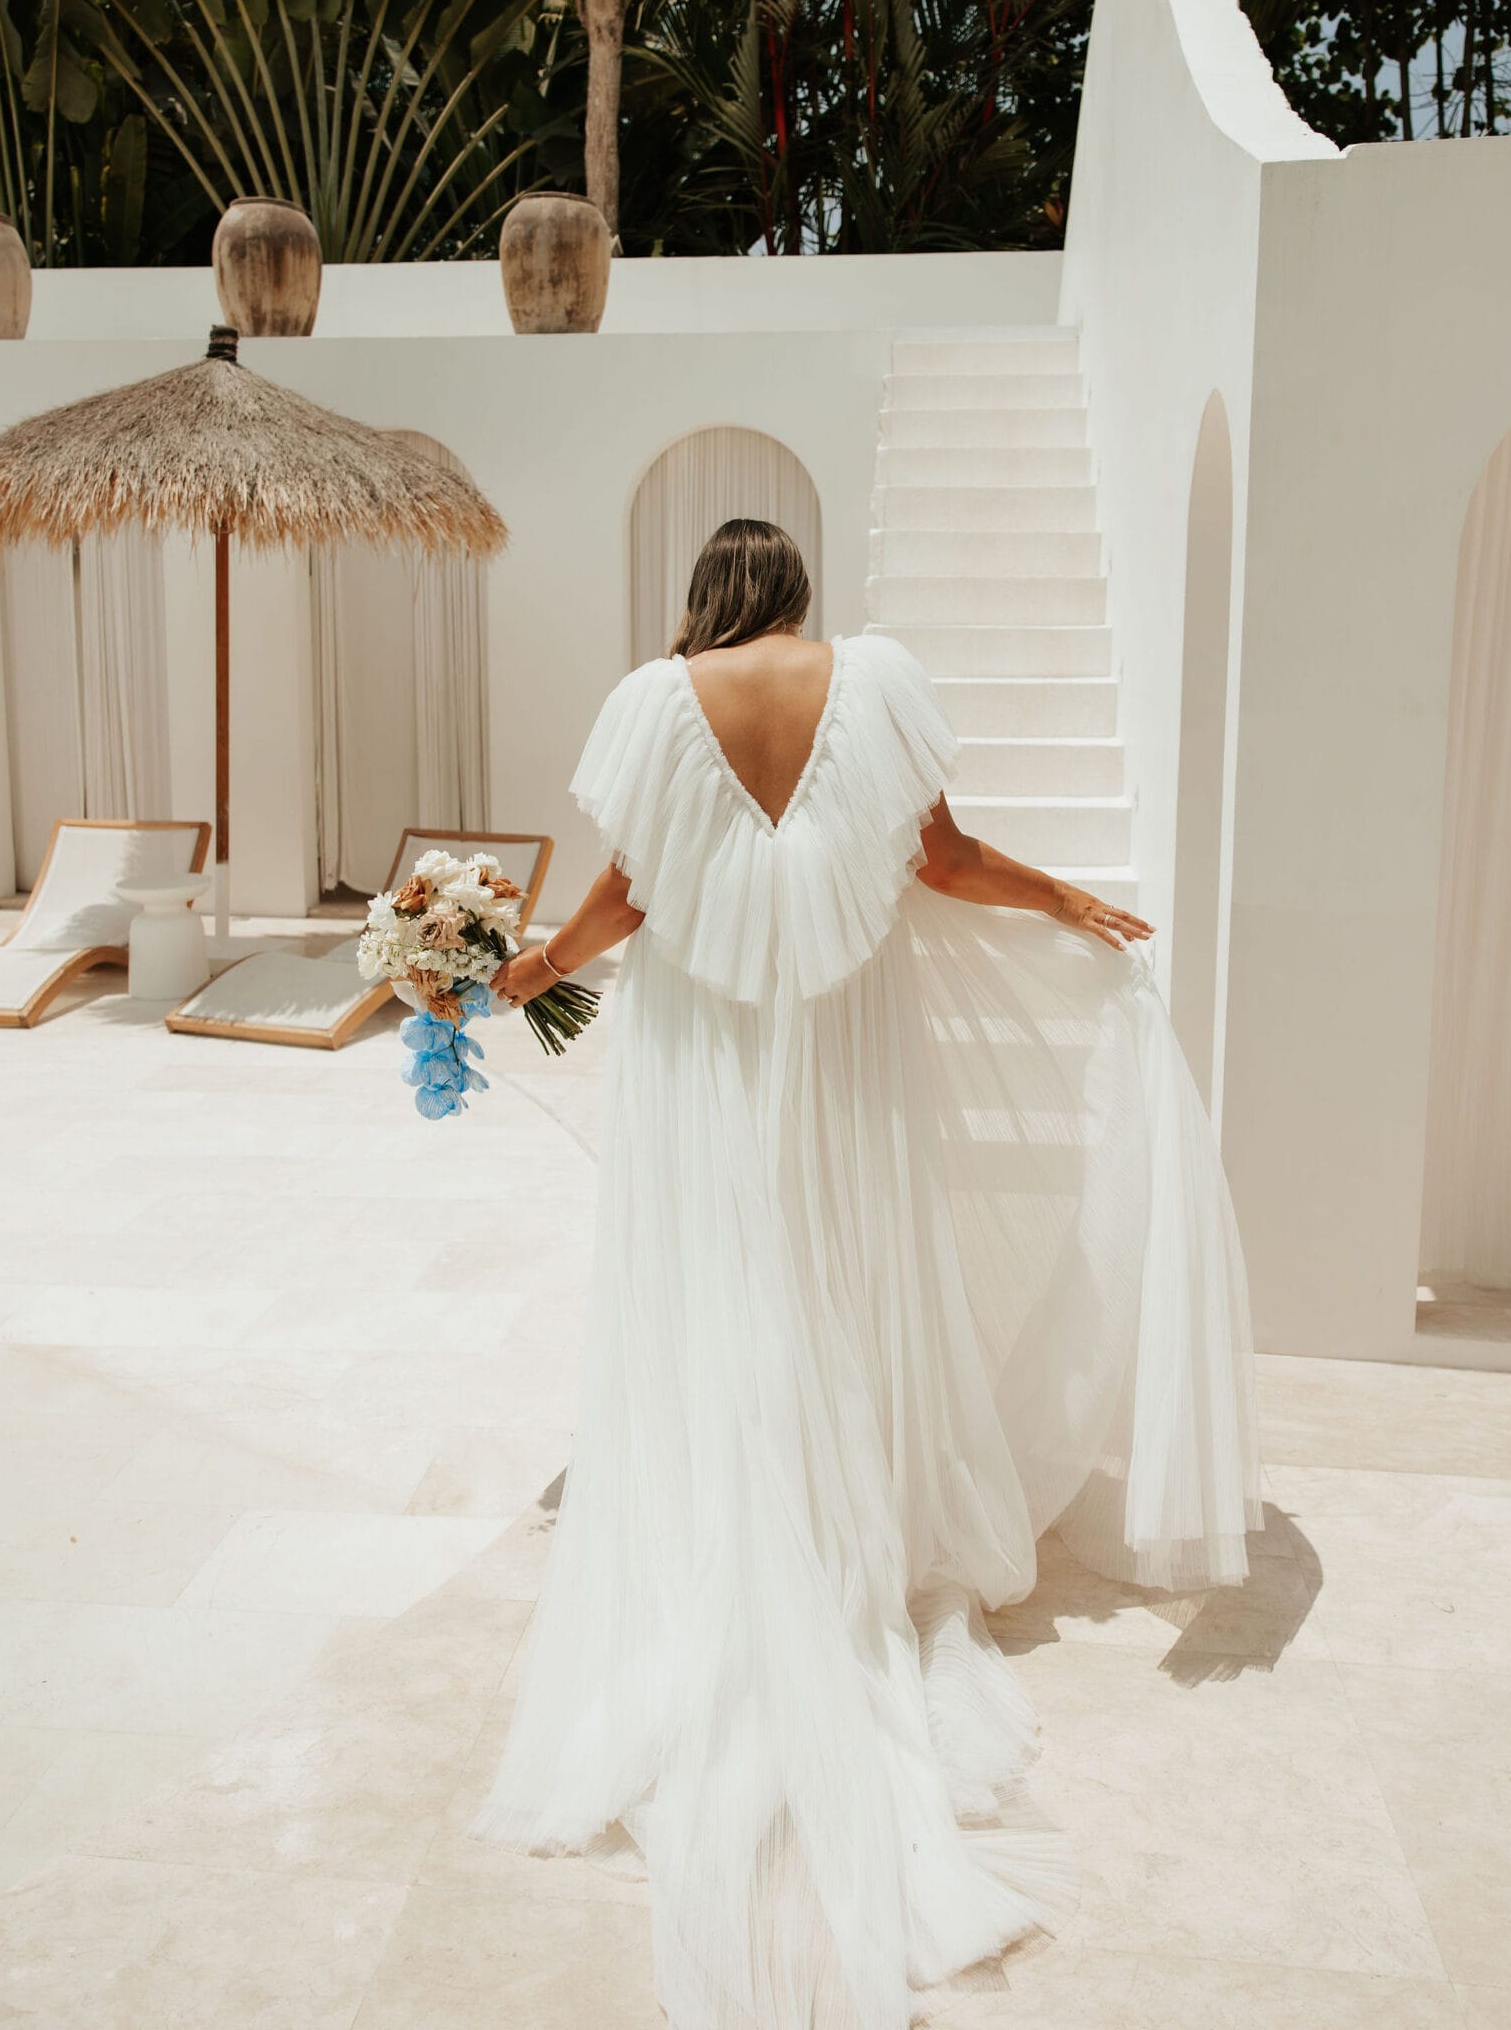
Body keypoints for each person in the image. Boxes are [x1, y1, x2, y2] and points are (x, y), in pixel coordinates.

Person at [471, 518, 1261, 2029]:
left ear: (705, 597)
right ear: (797, 593)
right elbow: (943, 861)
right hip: (840, 1049)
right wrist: (1066, 901)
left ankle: (744, 1515)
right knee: (839, 1276)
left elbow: (628, 896)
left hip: (707, 1052)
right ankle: (843, 1520)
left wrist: (533, 968)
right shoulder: (877, 678)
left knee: (723, 1276)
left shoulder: (652, 700)